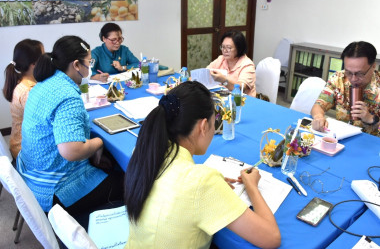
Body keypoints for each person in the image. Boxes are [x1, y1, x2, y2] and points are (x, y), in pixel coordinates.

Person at [124, 81, 281, 248]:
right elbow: (271, 238)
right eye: (215, 123)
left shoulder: (145, 151)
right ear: (203, 126)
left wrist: (213, 188)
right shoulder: (200, 181)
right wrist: (252, 187)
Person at [16, 36, 123, 214]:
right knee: (131, 181)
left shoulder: (44, 83)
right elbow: (72, 151)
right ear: (76, 65)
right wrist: (99, 142)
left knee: (106, 161)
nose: (89, 67)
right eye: (89, 62)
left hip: (30, 174)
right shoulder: (67, 95)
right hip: (53, 189)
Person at [311, 41, 380, 137]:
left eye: (360, 74)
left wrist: (370, 119)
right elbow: (319, 105)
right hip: (342, 138)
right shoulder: (338, 78)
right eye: (348, 72)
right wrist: (318, 117)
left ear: (373, 66)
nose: (353, 79)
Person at [2, 39, 44, 159]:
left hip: (18, 143)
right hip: (25, 149)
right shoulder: (28, 91)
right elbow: (44, 121)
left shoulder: (22, 82)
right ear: (34, 64)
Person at [207, 30, 256, 97]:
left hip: (242, 102)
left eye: (229, 48)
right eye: (223, 47)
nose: (224, 50)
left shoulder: (248, 65)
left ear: (239, 48)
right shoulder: (221, 59)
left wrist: (224, 80)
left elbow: (241, 88)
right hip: (223, 98)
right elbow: (206, 72)